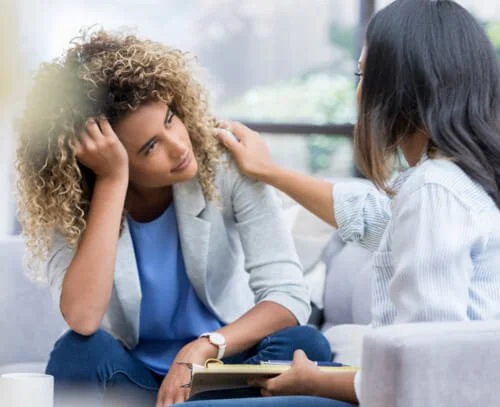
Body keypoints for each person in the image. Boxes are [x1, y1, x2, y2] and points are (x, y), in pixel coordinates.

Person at [15, 30, 332, 406]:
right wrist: (113, 181)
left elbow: (287, 294)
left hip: (223, 370)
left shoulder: (225, 164)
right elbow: (82, 319)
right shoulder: (70, 202)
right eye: (150, 147)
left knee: (305, 344)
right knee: (76, 352)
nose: (179, 146)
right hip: (136, 379)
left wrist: (204, 347)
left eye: (170, 119)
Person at [207, 0, 500, 405]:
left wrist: (314, 382)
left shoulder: (435, 190)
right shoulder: (455, 182)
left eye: (364, 74)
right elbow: (370, 217)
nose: (359, 92)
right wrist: (268, 172)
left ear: (403, 86)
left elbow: (426, 369)